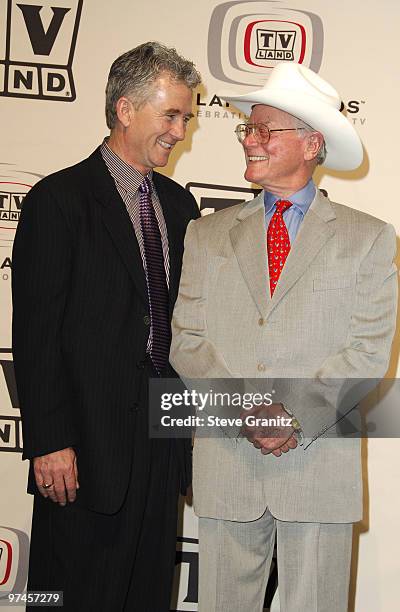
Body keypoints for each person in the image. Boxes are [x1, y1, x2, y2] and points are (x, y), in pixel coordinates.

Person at [170, 62, 397, 611]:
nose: (251, 139)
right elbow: (187, 340)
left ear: (312, 144)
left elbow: (367, 351)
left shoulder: (369, 239)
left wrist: (290, 414)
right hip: (229, 465)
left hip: (318, 465)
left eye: (266, 129)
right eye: (249, 128)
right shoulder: (206, 233)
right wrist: (247, 410)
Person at [12, 41, 201, 611]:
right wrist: (49, 441)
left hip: (159, 445)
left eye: (187, 117)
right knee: (67, 597)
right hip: (82, 448)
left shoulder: (179, 206)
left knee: (146, 596)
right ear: (125, 109)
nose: (181, 131)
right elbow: (37, 333)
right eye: (170, 114)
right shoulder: (59, 199)